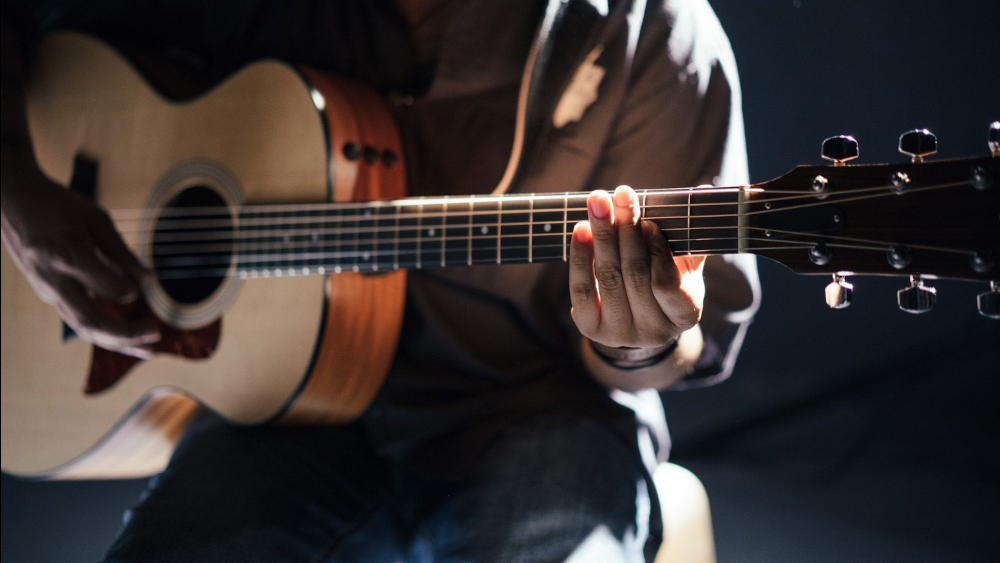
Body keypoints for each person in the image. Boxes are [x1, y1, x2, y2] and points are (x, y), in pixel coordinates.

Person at [0, 0, 760, 561]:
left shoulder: (654, 32)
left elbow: (687, 340)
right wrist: (16, 185)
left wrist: (636, 338)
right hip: (285, 419)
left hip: (536, 413)